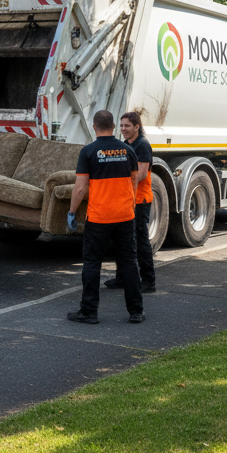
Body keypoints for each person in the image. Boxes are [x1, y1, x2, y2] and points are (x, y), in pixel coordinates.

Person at [66, 109, 144, 324]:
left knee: (92, 264)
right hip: (125, 216)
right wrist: (130, 207)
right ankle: (136, 311)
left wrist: (71, 212)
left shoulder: (88, 152)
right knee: (129, 262)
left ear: (94, 126)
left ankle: (89, 312)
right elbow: (133, 184)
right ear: (113, 126)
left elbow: (80, 188)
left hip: (99, 218)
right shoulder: (129, 151)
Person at [106, 111, 156, 292]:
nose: (123, 129)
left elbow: (142, 173)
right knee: (121, 239)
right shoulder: (125, 145)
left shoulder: (142, 145)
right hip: (125, 199)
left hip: (140, 200)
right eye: (121, 126)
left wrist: (123, 184)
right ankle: (122, 278)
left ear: (137, 127)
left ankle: (149, 281)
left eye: (127, 126)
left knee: (140, 240)